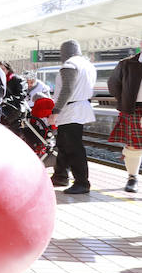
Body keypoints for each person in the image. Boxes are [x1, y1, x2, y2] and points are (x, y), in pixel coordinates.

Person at [49, 40, 96, 195]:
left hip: (71, 110)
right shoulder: (87, 65)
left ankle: (82, 182)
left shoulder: (70, 64)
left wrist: (55, 111)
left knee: (74, 147)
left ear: (65, 52)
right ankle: (60, 175)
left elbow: (67, 89)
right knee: (63, 144)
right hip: (79, 108)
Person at [107, 44, 142, 193]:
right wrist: (124, 100)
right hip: (134, 109)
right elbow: (113, 84)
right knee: (133, 147)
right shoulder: (126, 64)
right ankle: (132, 177)